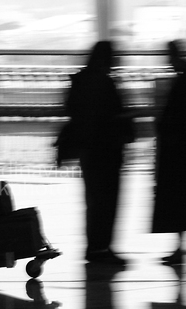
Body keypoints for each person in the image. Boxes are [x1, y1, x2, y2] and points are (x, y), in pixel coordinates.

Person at [65, 41, 133, 265]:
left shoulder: (80, 80)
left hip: (88, 151)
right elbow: (112, 114)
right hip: (107, 151)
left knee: (94, 201)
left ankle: (94, 247)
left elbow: (71, 110)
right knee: (108, 201)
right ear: (106, 59)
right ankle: (102, 248)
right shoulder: (104, 82)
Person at [152, 40, 186, 265]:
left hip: (177, 151)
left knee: (177, 198)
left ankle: (180, 246)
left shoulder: (183, 81)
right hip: (183, 149)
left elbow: (175, 117)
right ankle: (181, 245)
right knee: (183, 199)